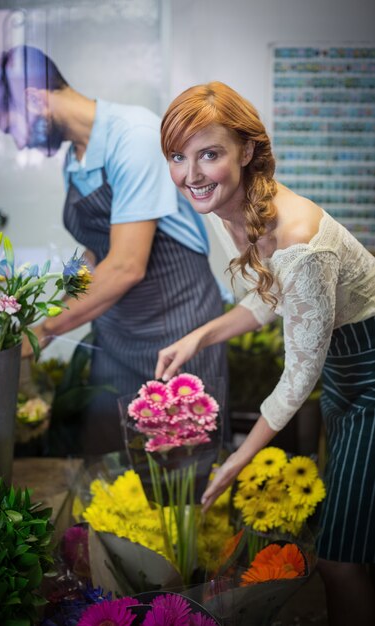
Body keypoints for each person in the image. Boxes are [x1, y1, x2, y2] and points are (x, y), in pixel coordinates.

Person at [155, 81, 375, 626]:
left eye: (209, 154)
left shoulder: (298, 242)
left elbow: (299, 375)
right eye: (178, 157)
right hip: (345, 377)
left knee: (340, 562)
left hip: (369, 375)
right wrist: (196, 338)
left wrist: (236, 460)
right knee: (350, 538)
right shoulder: (231, 207)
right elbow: (267, 299)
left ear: (247, 151)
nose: (191, 175)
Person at [0, 47, 228, 455]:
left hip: (177, 325)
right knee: (109, 460)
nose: (18, 140)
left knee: (178, 468)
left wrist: (41, 333)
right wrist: (43, 307)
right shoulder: (75, 158)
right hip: (117, 334)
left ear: (35, 99)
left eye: (12, 126)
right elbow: (96, 255)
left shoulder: (135, 137)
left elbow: (126, 266)